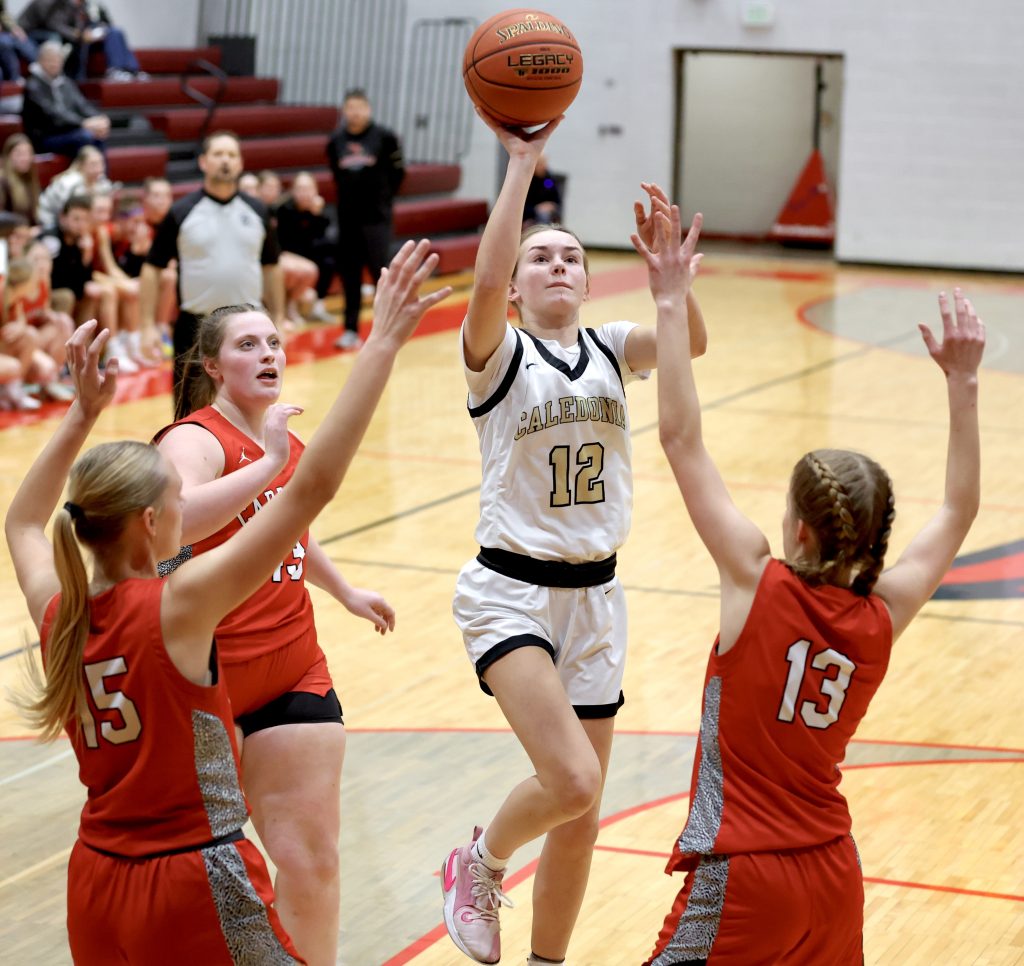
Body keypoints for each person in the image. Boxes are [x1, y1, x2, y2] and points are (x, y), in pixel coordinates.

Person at [3, 239, 449, 964]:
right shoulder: (181, 608)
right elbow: (311, 488)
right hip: (192, 871)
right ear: (153, 522)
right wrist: (383, 343)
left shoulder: (60, 607)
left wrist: (83, 415)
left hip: (95, 874)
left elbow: (22, 522)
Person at [639, 206, 984, 964]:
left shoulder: (752, 581)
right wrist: (962, 384)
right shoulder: (884, 613)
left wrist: (669, 299)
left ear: (798, 528)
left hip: (746, 874)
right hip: (835, 870)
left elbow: (678, 438)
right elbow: (959, 510)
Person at [440, 109, 707, 966]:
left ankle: (547, 962)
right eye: (540, 257)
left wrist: (671, 284)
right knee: (574, 781)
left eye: (572, 256)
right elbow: (481, 288)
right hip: (510, 588)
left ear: (589, 283)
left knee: (581, 815)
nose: (558, 263)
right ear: (517, 287)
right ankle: (477, 865)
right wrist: (522, 168)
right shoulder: (500, 353)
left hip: (596, 596)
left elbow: (689, 342)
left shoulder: (609, 347)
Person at [153, 267, 449, 964]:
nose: (268, 355)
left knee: (311, 859)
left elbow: (288, 531)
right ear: (212, 367)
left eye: (274, 343)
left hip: (292, 671)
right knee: (201, 875)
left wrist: (342, 590)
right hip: (207, 685)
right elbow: (174, 519)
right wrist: (270, 464)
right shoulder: (192, 440)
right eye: (248, 345)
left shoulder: (282, 440)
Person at [139, 131, 285, 395]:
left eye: (231, 154)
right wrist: (148, 325)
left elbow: (272, 268)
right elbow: (152, 268)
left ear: (240, 163)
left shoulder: (258, 211)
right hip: (195, 328)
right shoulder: (181, 212)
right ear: (204, 162)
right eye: (218, 154)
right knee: (189, 411)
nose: (225, 160)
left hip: (249, 327)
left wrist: (280, 318)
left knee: (250, 405)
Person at [326, 88, 405, 350]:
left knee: (380, 275)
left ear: (368, 109)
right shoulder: (335, 141)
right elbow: (337, 176)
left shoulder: (385, 137)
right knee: (350, 278)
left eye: (360, 107)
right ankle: (350, 330)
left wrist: (381, 199)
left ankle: (388, 328)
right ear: (344, 110)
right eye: (351, 107)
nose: (356, 112)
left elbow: (398, 174)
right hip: (348, 220)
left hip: (376, 219)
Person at [17, 0, 146, 81]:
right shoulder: (56, 4)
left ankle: (130, 70)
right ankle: (82, 78)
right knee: (68, 41)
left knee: (115, 31)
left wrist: (96, 30)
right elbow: (55, 25)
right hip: (34, 34)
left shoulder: (89, 5)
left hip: (82, 36)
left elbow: (103, 22)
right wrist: (79, 35)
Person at [21, 40, 109, 156]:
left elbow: (82, 104)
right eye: (50, 60)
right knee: (84, 137)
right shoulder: (33, 85)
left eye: (57, 60)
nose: (54, 64)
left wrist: (98, 118)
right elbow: (53, 114)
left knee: (98, 137)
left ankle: (100, 174)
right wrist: (83, 123)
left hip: (71, 130)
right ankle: (81, 173)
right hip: (46, 137)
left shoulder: (66, 82)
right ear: (40, 61)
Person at [274, 171, 336, 322]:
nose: (305, 193)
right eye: (300, 189)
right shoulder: (284, 209)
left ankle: (318, 305)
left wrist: (317, 215)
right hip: (287, 254)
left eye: (308, 189)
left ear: (315, 191)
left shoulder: (318, 210)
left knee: (330, 259)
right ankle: (289, 307)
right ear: (293, 191)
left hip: (308, 254)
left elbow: (325, 240)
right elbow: (284, 242)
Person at [37, 142, 113, 230]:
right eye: (93, 164)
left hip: (78, 223)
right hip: (51, 220)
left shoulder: (103, 183)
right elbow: (66, 214)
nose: (99, 168)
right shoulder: (69, 183)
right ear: (82, 165)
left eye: (101, 163)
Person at [0, 133, 43, 226]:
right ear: (8, 156)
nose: (25, 158)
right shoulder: (2, 181)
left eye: (28, 153)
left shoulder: (30, 180)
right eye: (19, 154)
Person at [0, 1, 38, 80]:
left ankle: (40, 71)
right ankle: (15, 79)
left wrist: (13, 27)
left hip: (4, 32)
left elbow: (3, 13)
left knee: (23, 40)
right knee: (5, 43)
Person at [523, 154, 562, 226]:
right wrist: (536, 209)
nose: (543, 167)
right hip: (529, 215)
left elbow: (556, 199)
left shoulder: (548, 179)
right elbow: (522, 206)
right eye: (540, 164)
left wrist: (551, 205)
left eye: (544, 164)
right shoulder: (527, 181)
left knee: (545, 215)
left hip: (546, 214)